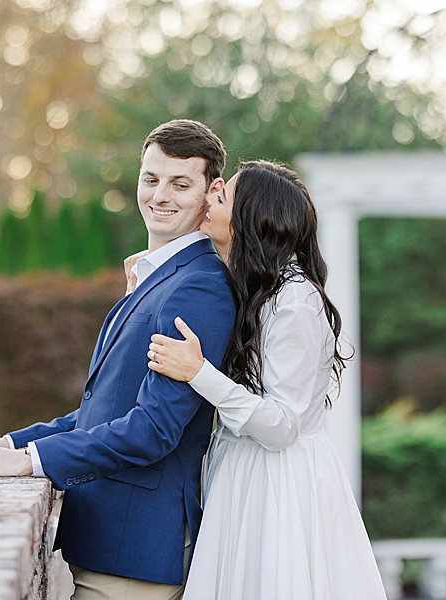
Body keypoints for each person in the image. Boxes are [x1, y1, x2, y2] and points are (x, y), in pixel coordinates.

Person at [0, 119, 236, 600]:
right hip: (109, 546)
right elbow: (102, 412)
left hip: (135, 555)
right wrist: (8, 444)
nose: (160, 195)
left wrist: (31, 463)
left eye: (180, 183)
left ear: (211, 191)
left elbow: (153, 430)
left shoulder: (198, 286)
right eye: (150, 179)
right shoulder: (159, 276)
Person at [143, 160, 387, 600]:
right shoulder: (253, 286)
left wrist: (199, 373)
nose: (210, 197)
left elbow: (281, 426)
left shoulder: (293, 300)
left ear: (250, 220)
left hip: (279, 487)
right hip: (241, 472)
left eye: (222, 196)